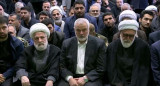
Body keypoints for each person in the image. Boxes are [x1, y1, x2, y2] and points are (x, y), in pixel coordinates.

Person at [58, 18, 106, 86]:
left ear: (88, 29)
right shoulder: (66, 44)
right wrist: (69, 78)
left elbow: (101, 68)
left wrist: (85, 78)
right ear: (74, 30)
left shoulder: (99, 44)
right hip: (71, 76)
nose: (81, 33)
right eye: (78, 30)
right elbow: (62, 66)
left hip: (90, 77)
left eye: (84, 30)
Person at [106, 20, 150, 86]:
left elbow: (144, 71)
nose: (128, 38)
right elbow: (111, 70)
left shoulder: (143, 46)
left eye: (131, 36)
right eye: (125, 35)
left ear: (135, 34)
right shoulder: (112, 47)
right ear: (120, 33)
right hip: (117, 82)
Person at [0, 16, 24, 86]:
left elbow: (18, 64)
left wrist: (4, 75)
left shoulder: (17, 43)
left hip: (11, 73)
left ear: (8, 27)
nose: (1, 31)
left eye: (4, 27)